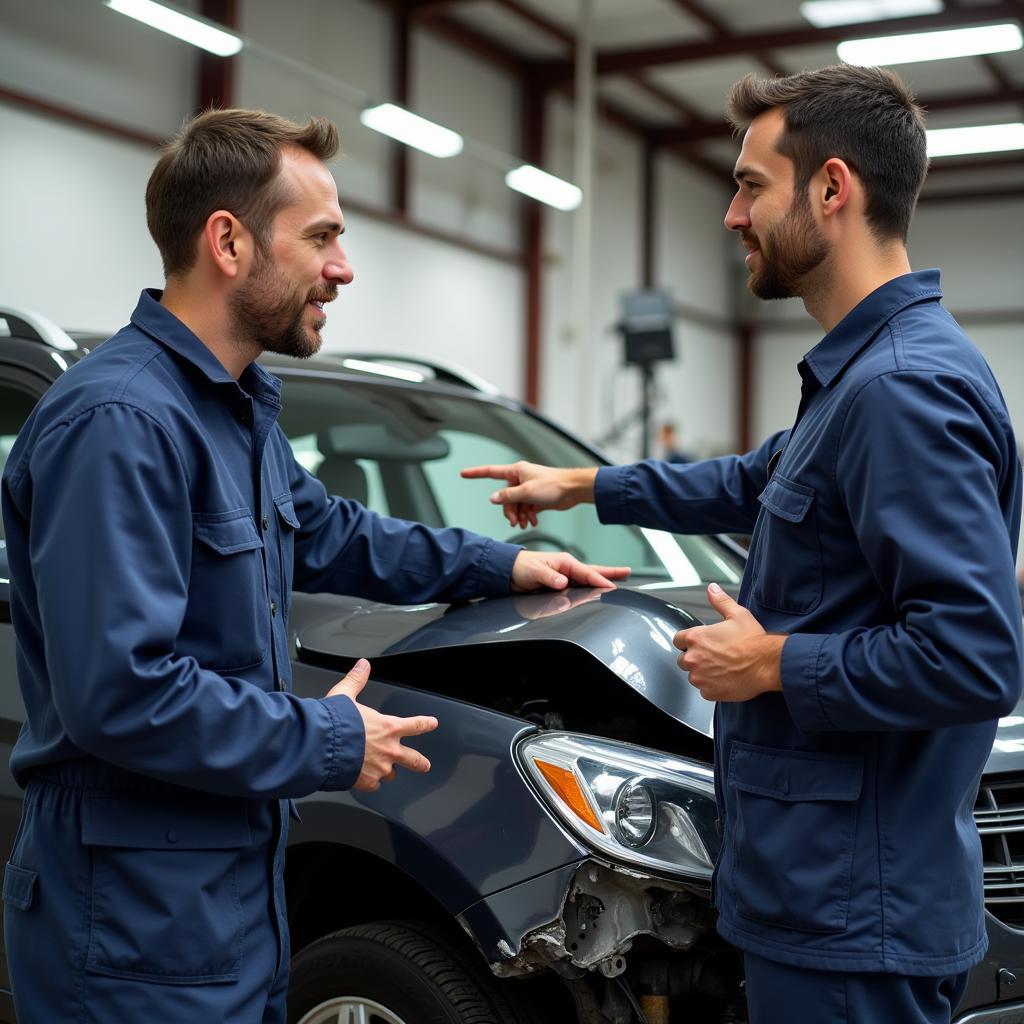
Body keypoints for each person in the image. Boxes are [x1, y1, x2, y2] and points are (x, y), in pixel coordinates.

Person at [0, 109, 628, 1023]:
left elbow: (331, 531)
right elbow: (121, 693)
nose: (343, 267)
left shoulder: (234, 408)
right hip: (132, 919)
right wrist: (330, 740)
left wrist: (505, 564)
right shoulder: (119, 424)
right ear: (227, 240)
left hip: (224, 903)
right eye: (323, 236)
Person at [463, 65, 1023, 1024]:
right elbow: (755, 481)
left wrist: (772, 663)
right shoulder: (863, 381)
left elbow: (975, 657)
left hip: (850, 915)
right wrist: (587, 484)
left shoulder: (899, 392)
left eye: (751, 185)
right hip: (830, 896)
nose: (732, 215)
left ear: (833, 189)